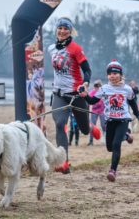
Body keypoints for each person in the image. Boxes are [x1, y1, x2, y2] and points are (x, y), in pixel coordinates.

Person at [79, 59, 139, 182]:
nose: (112, 76)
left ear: (120, 74)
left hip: (123, 120)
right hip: (110, 120)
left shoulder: (127, 89)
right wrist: (84, 95)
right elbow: (92, 101)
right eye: (110, 74)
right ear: (107, 75)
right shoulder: (104, 88)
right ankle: (125, 136)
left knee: (116, 145)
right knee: (109, 147)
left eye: (115, 73)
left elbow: (133, 104)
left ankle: (112, 171)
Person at [48, 17, 95, 174]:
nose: (62, 31)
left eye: (65, 29)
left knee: (84, 130)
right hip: (59, 94)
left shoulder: (75, 48)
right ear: (56, 30)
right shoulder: (51, 49)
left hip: (76, 94)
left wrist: (86, 83)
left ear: (70, 31)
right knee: (60, 124)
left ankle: (91, 127)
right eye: (60, 28)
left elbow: (87, 70)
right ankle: (64, 162)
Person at [88, 80, 106, 146]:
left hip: (102, 111)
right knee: (92, 126)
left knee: (104, 125)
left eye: (98, 86)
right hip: (94, 111)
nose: (97, 88)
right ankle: (91, 141)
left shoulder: (103, 92)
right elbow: (88, 101)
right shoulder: (92, 93)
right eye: (95, 86)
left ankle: (105, 139)